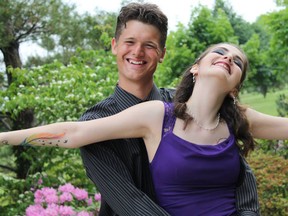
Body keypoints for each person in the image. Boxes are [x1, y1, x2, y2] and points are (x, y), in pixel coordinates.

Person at [2, 42, 284, 215]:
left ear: (234, 87)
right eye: (220, 52)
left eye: (237, 61)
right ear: (196, 68)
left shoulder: (239, 119)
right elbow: (74, 133)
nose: (228, 58)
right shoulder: (158, 116)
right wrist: (3, 138)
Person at [77, 2, 259, 216]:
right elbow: (131, 202)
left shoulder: (186, 103)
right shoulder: (95, 122)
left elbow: (236, 172)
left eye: (149, 45)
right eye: (130, 42)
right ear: (114, 45)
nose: (138, 52)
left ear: (162, 53)